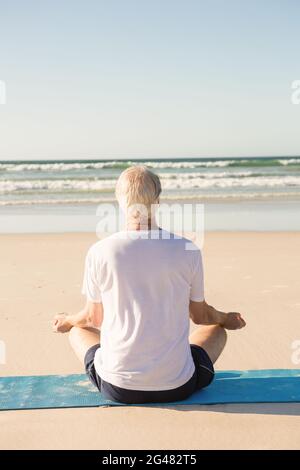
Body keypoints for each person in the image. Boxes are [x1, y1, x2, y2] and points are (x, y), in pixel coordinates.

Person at [53, 165, 246, 404]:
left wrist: (67, 320)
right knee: (216, 330)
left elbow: (93, 319)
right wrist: (226, 318)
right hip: (178, 386)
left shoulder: (100, 251)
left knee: (77, 330)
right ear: (158, 200)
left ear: (119, 200)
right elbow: (200, 315)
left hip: (117, 387)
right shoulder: (187, 249)